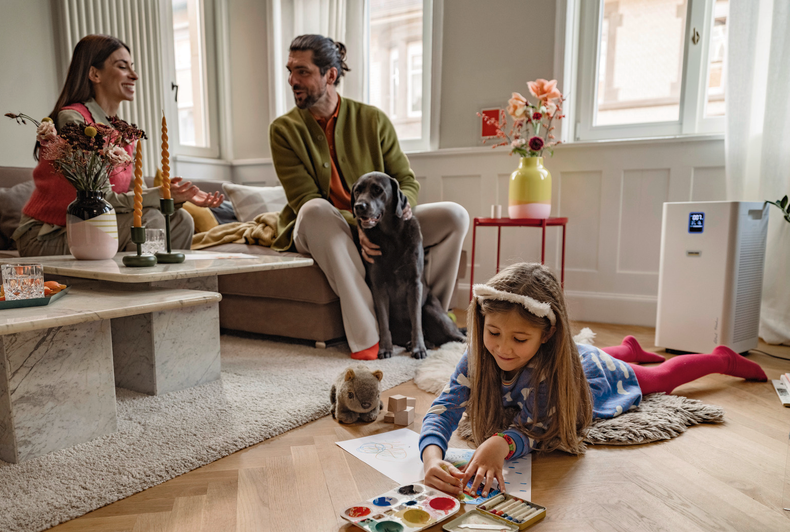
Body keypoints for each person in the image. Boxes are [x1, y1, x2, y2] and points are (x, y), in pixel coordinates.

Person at [419, 262, 768, 498]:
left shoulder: (549, 371)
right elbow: (445, 407)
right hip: (577, 357)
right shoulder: (480, 357)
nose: (503, 348)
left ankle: (721, 357)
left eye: (520, 339)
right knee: (596, 353)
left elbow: (537, 429)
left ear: (547, 334)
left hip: (594, 374)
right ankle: (628, 347)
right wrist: (432, 458)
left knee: (661, 377)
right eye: (493, 332)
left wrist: (502, 443)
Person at [269, 34, 469, 361]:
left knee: (454, 216)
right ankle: (368, 337)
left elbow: (405, 180)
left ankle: (429, 324)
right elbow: (302, 197)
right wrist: (362, 224)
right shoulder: (283, 130)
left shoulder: (372, 119)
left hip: (379, 221)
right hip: (323, 228)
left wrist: (394, 215)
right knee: (316, 209)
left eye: (302, 72)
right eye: (290, 71)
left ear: (330, 75)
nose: (292, 80)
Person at [13, 34, 224, 257]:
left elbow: (127, 192)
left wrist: (175, 195)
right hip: (48, 234)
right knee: (150, 221)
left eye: (132, 67)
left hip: (90, 226)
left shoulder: (120, 131)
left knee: (179, 219)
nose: (134, 75)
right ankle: (137, 289)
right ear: (95, 74)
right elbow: (99, 198)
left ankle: (168, 290)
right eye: (123, 67)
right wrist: (164, 194)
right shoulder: (73, 120)